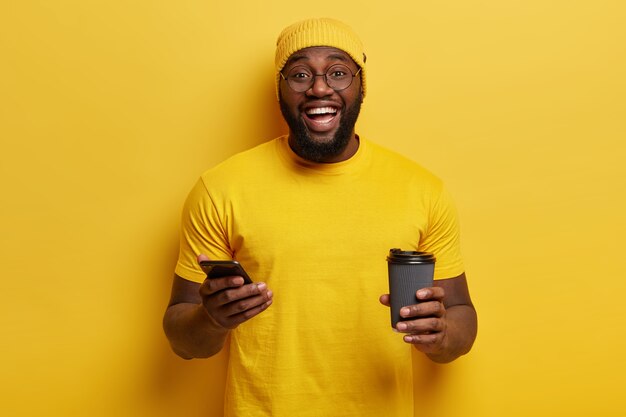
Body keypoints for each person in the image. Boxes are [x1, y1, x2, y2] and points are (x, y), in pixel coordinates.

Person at [163, 17, 477, 417]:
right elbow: (183, 341)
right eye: (299, 74)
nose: (319, 87)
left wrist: (442, 334)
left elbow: (462, 317)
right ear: (280, 89)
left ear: (361, 85)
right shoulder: (220, 189)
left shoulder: (422, 189)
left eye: (338, 72)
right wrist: (211, 318)